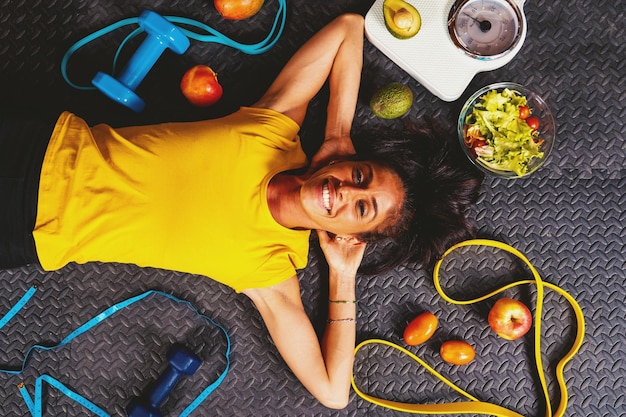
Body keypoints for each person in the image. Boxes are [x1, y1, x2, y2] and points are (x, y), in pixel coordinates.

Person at [0, 14, 482, 408]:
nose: (344, 190)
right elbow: (349, 27)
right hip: (41, 145)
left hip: (30, 231)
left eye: (362, 209)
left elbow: (334, 391)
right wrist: (337, 130)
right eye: (360, 177)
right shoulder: (274, 127)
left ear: (352, 234)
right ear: (348, 162)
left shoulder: (271, 269)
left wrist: (342, 275)